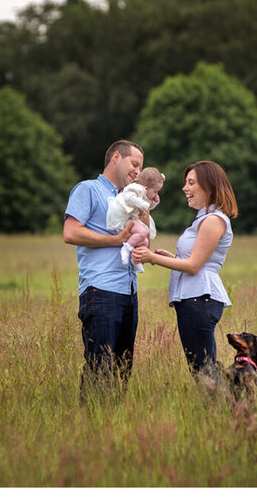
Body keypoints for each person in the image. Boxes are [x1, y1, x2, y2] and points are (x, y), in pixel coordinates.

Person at [132, 161, 237, 381]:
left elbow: (194, 266)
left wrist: (153, 258)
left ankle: (224, 411)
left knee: (204, 372)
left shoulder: (213, 220)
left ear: (208, 187)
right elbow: (196, 261)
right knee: (201, 369)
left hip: (200, 299)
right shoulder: (204, 219)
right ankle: (223, 410)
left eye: (191, 183)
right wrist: (169, 258)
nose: (184, 188)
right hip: (194, 298)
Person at [63, 140, 145, 402]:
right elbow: (70, 232)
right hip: (100, 290)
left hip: (128, 291)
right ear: (116, 158)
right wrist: (116, 239)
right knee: (99, 368)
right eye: (134, 164)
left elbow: (142, 243)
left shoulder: (129, 199)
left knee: (123, 370)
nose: (137, 171)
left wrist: (143, 215)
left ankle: (113, 428)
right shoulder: (88, 189)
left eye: (140, 167)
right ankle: (90, 426)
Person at [106, 167, 165, 273]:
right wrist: (144, 204)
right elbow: (130, 199)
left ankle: (135, 260)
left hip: (129, 219)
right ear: (146, 188)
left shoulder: (144, 193)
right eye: (155, 191)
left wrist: (155, 201)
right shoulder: (134, 188)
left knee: (145, 241)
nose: (156, 194)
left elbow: (147, 208)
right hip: (121, 218)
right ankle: (126, 248)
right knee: (143, 232)